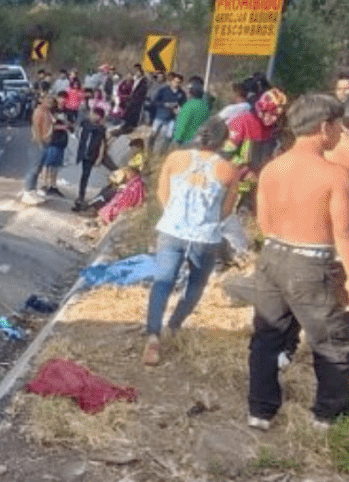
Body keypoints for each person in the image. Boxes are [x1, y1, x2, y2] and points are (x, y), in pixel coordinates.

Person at [246, 94, 349, 430]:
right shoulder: (334, 175)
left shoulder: (272, 168)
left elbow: (263, 221)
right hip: (312, 263)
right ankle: (327, 416)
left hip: (273, 257)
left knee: (266, 337)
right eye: (339, 126)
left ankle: (260, 411)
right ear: (325, 127)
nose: (341, 133)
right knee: (331, 342)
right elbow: (343, 233)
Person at [141, 118, 240, 366]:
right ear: (223, 141)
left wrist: (174, 215)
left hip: (172, 231)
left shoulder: (175, 159)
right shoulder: (229, 170)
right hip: (205, 237)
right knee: (196, 284)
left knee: (162, 281)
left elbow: (163, 194)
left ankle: (152, 336)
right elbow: (227, 209)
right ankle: (173, 327)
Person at [223, 87, 288, 210]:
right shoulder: (242, 122)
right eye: (271, 114)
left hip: (256, 187)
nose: (273, 119)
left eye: (277, 116)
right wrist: (245, 170)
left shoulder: (274, 130)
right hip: (233, 183)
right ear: (261, 109)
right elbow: (225, 153)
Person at [20, 94, 55, 205]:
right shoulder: (39, 111)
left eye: (51, 100)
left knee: (38, 168)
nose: (50, 102)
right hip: (38, 143)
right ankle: (27, 191)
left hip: (45, 142)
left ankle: (33, 190)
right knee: (33, 168)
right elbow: (35, 127)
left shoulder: (47, 112)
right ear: (41, 100)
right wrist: (39, 141)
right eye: (48, 99)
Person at [73, 106, 109, 211]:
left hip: (92, 154)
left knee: (86, 175)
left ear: (100, 117)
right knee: (83, 174)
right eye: (93, 114)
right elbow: (78, 133)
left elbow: (103, 144)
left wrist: (100, 157)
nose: (93, 116)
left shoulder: (101, 129)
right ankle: (81, 195)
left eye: (96, 115)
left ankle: (82, 195)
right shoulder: (85, 123)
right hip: (83, 152)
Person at [148, 72, 185, 153]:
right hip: (160, 116)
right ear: (172, 81)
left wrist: (179, 109)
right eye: (175, 81)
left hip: (172, 118)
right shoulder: (163, 90)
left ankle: (162, 153)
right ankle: (149, 150)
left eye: (179, 82)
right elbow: (155, 101)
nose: (176, 83)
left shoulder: (181, 93)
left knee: (169, 135)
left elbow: (184, 105)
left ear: (181, 83)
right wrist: (164, 105)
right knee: (154, 132)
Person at [172, 75, 211, 146]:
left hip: (186, 143)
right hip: (200, 143)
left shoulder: (188, 106)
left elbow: (182, 126)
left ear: (190, 91)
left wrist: (176, 141)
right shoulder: (205, 107)